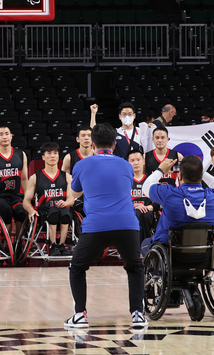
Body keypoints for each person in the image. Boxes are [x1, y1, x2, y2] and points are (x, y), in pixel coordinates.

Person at [66, 123, 146, 330]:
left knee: (77, 267)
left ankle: (80, 316)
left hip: (96, 226)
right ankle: (138, 315)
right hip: (127, 225)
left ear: (92, 143)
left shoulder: (82, 164)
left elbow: (74, 194)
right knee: (135, 267)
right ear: (114, 143)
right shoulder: (126, 165)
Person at [142, 156, 214, 246]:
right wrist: (199, 171)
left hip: (170, 252)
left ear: (180, 175)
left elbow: (146, 186)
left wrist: (160, 170)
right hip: (204, 253)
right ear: (201, 176)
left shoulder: (169, 194)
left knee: (145, 244)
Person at [23, 142, 74, 257]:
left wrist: (66, 202)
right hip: (45, 212)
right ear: (43, 157)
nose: (52, 156)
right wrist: (31, 210)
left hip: (62, 209)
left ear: (58, 156)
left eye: (55, 153)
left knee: (65, 212)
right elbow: (26, 200)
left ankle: (61, 245)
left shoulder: (66, 177)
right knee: (53, 212)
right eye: (49, 153)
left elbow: (72, 199)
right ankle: (52, 245)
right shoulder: (35, 177)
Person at [128, 149, 159, 241]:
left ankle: (141, 246)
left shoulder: (151, 181)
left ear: (143, 161)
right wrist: (132, 206)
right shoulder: (125, 181)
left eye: (138, 159)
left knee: (144, 213)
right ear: (128, 163)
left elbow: (159, 202)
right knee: (137, 213)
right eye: (132, 161)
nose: (136, 163)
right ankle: (143, 246)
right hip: (130, 213)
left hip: (148, 214)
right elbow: (119, 202)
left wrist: (149, 207)